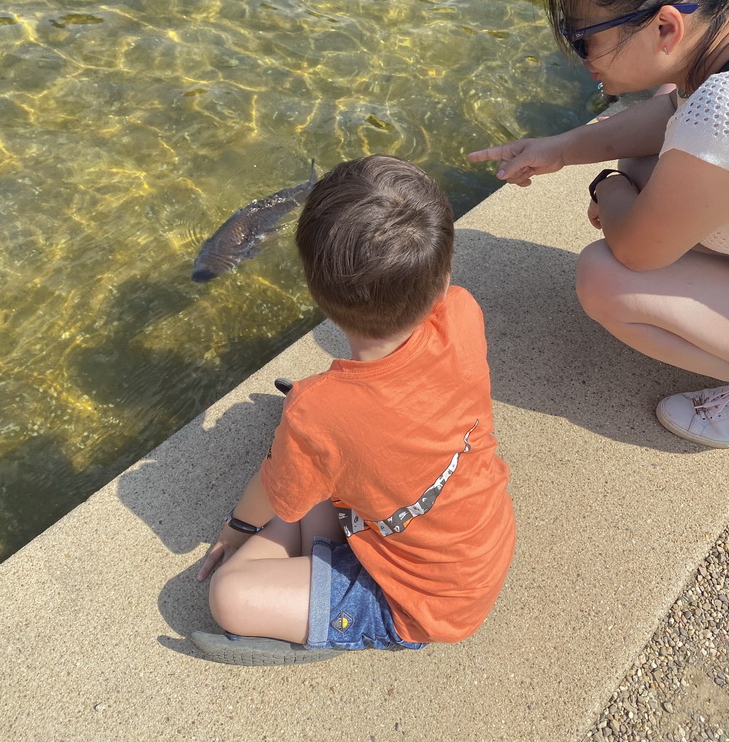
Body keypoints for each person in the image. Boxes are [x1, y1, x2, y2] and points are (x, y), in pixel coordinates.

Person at [469, 0, 729, 449]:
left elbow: (635, 250)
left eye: (586, 39)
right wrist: (562, 148)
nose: (581, 56)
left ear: (665, 27)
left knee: (607, 280)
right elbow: (676, 111)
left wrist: (606, 187)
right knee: (655, 142)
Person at [192, 155, 515, 665]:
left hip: (420, 606)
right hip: (480, 546)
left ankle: (336, 622)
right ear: (444, 271)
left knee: (230, 594)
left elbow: (267, 496)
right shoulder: (463, 311)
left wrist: (236, 531)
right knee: (314, 450)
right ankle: (320, 564)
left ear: (316, 294)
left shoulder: (318, 414)